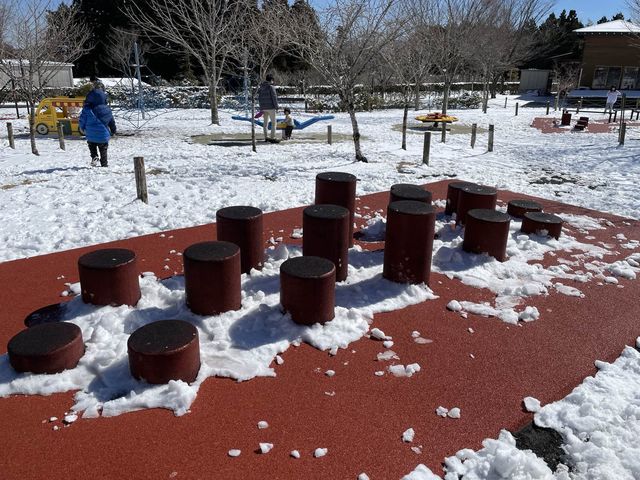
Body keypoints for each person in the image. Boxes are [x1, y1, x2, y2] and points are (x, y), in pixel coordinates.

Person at [79, 81, 116, 167]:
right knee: (103, 149)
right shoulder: (107, 109)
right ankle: (104, 163)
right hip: (103, 135)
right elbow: (111, 121)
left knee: (92, 145)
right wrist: (113, 130)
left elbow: (82, 120)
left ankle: (94, 156)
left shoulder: (87, 109)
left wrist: (82, 128)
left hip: (90, 134)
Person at [258, 74, 279, 142]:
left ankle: (266, 137)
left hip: (263, 108)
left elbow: (259, 98)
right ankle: (273, 137)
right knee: (273, 123)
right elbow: (274, 98)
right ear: (271, 80)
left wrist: (261, 108)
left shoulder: (261, 87)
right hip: (271, 108)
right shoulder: (271, 87)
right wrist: (276, 107)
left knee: (265, 123)